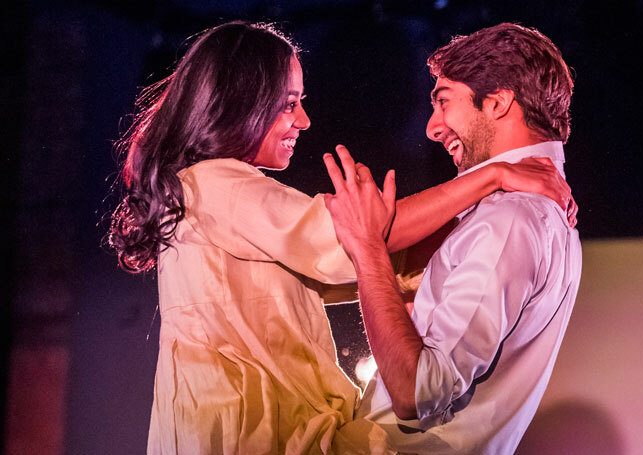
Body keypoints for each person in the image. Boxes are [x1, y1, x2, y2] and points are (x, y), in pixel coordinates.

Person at [108, 21, 575, 454]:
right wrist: (490, 178)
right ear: (240, 101)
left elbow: (357, 257)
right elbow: (351, 244)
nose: (305, 120)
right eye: (290, 102)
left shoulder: (513, 219)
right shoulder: (213, 184)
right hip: (245, 435)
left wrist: (466, 211)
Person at [323, 23, 582, 454]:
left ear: (498, 103)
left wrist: (369, 251)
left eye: (443, 102)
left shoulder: (511, 217)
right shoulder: (522, 210)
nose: (432, 127)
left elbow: (418, 392)